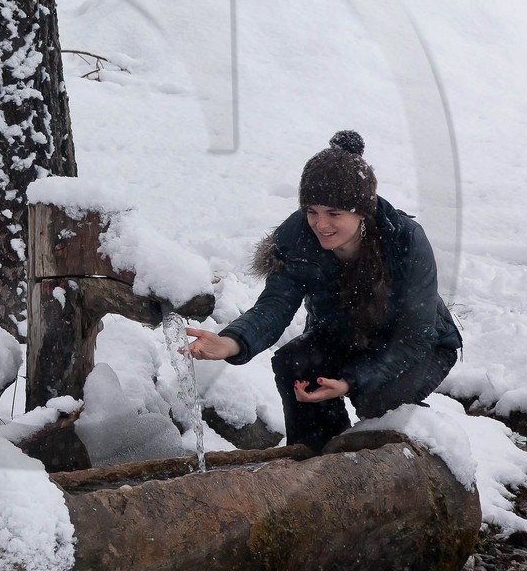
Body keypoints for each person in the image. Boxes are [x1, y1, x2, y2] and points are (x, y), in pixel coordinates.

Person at [186, 131, 462, 452]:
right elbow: (276, 304)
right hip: (344, 336)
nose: (321, 224)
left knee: (375, 398)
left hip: (420, 346)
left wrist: (350, 382)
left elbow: (416, 335)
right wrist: (232, 342)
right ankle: (317, 460)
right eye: (312, 211)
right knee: (295, 365)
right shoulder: (298, 235)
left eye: (334, 214)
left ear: (361, 212)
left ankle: (409, 453)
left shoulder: (405, 239)